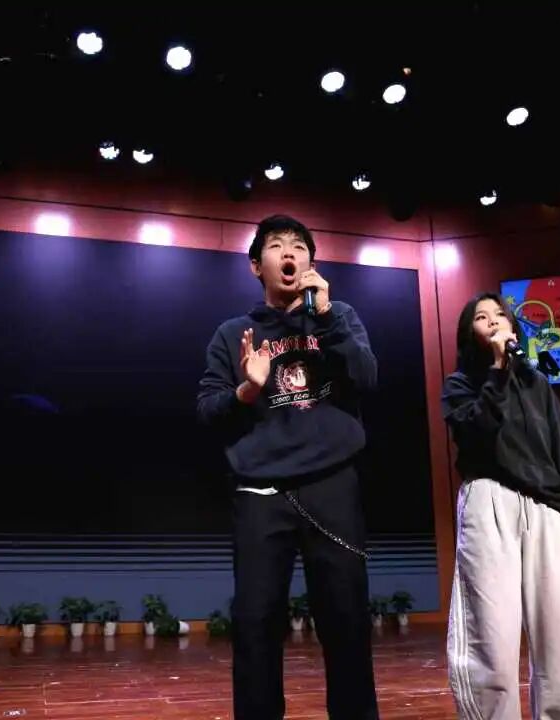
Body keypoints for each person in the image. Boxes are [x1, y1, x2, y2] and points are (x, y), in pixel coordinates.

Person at [196, 214, 380, 720]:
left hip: (332, 486)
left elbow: (367, 378)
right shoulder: (234, 334)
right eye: (276, 246)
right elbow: (207, 410)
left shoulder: (340, 317)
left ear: (310, 263)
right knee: (255, 624)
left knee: (347, 621)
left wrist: (328, 319)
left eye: (298, 246)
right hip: (261, 494)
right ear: (257, 265)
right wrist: (246, 390)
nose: (289, 253)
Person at [442, 291, 560, 720]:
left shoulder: (537, 384)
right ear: (469, 333)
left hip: (545, 510)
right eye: (481, 317)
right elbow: (475, 432)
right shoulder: (460, 384)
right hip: (489, 500)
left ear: (512, 327)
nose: (492, 321)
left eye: (499, 314)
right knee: (490, 631)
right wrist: (497, 371)